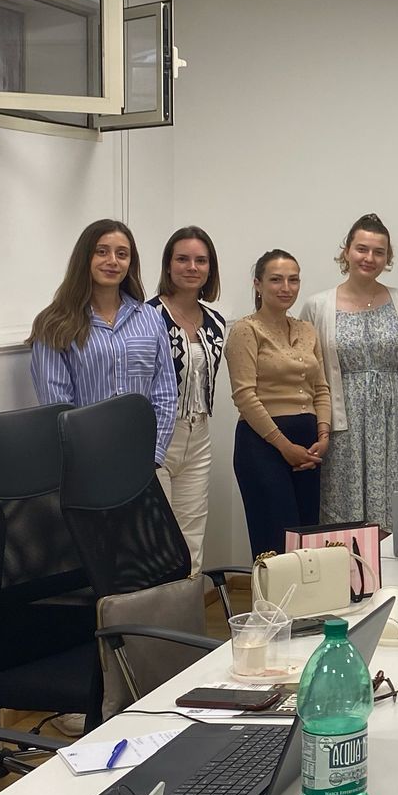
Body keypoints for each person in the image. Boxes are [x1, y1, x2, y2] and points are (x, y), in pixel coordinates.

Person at [297, 214, 398, 532]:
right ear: (346, 251)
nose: (369, 258)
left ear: (388, 257)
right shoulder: (317, 306)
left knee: (397, 512)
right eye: (362, 249)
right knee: (343, 510)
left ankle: (394, 566)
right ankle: (348, 565)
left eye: (379, 252)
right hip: (343, 427)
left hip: (397, 424)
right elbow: (309, 374)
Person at [29, 219, 175, 465]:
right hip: (85, 460)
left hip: (142, 457)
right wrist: (88, 457)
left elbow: (165, 392)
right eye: (102, 252)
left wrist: (154, 453)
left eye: (122, 254)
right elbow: (57, 406)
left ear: (130, 263)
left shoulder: (150, 318)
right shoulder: (54, 323)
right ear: (85, 257)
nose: (113, 261)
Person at [226, 250, 332, 561]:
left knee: (306, 543)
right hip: (263, 444)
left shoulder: (307, 330)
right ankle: (271, 597)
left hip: (308, 445)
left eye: (293, 280)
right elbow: (245, 397)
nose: (286, 287)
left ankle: (306, 598)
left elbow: (321, 388)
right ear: (258, 284)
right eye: (276, 280)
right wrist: (285, 446)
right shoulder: (246, 330)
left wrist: (324, 436)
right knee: (275, 544)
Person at [149, 226, 226, 575]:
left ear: (210, 268)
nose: (192, 267)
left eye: (200, 260)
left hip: (199, 436)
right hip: (157, 435)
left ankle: (189, 605)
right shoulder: (147, 317)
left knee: (192, 532)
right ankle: (157, 608)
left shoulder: (216, 322)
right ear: (168, 265)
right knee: (158, 534)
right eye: (182, 259)